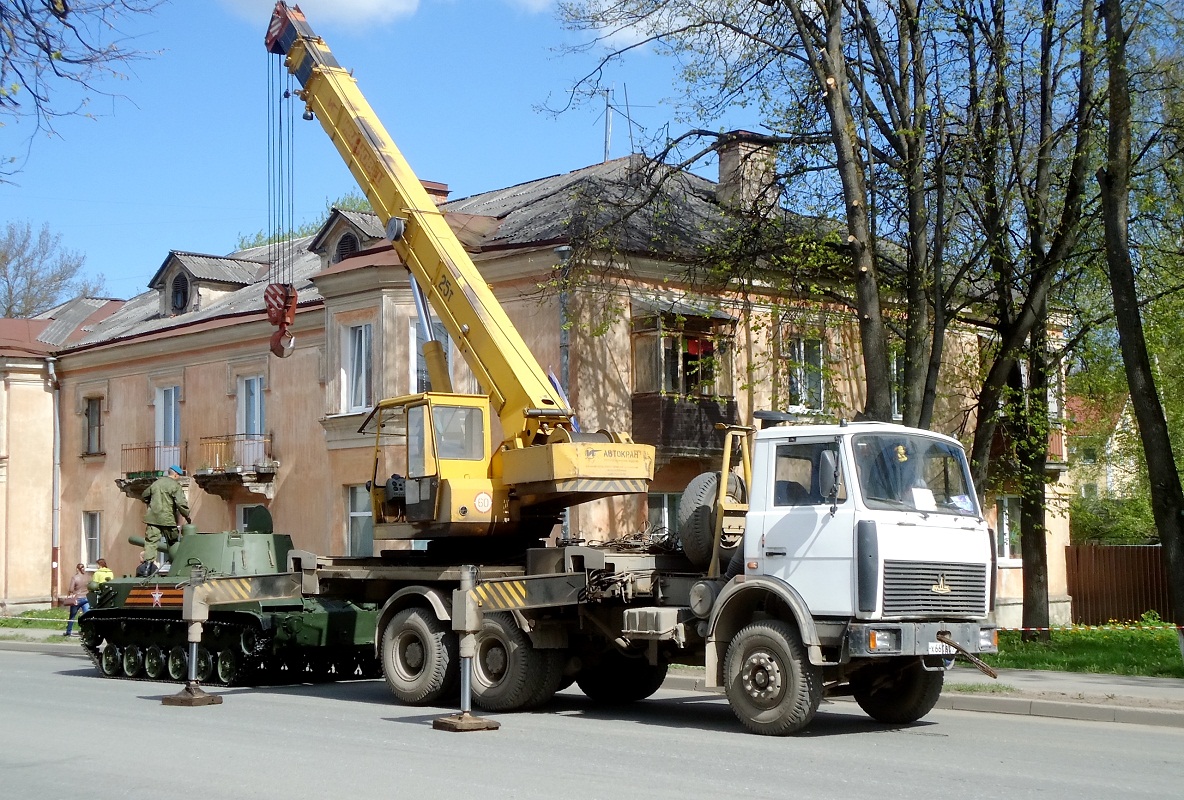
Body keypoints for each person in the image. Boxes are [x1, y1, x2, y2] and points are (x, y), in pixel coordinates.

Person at [141, 465, 191, 562]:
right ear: (176, 474)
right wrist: (187, 515)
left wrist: (152, 503)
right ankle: (176, 563)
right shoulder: (175, 486)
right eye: (179, 475)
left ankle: (147, 567)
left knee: (151, 543)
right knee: (173, 541)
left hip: (153, 519)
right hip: (168, 519)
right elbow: (181, 503)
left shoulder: (156, 483)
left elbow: (144, 496)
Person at [62, 563, 90, 637]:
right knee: (87, 616)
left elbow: (71, 589)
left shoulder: (75, 578)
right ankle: (87, 631)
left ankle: (68, 631)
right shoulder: (87, 577)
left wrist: (70, 594)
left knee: (72, 616)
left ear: (77, 569)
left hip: (77, 599)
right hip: (86, 598)